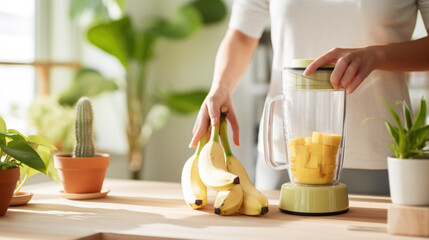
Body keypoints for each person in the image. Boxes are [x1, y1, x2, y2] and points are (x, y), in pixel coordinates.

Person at [189, 0, 429, 194]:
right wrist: (221, 86)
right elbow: (242, 34)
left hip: (383, 157)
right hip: (286, 156)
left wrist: (377, 55)